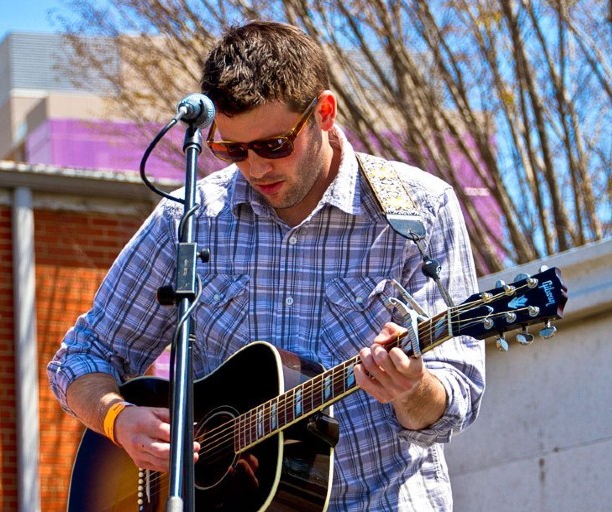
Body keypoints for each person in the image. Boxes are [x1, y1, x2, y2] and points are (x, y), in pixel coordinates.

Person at [48, 20, 485, 511]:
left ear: (324, 112)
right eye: (232, 149)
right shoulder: (190, 219)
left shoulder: (418, 211)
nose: (256, 168)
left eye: (275, 145)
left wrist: (412, 387)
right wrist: (118, 419)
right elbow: (83, 356)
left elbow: (456, 392)